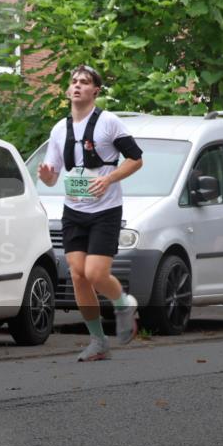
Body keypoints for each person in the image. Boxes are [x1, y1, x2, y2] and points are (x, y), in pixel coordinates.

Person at [37, 66, 144, 361]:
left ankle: (123, 302)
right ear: (67, 90)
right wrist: (46, 175)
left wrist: (109, 179)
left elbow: (136, 159)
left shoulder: (109, 122)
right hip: (74, 210)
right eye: (74, 81)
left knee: (96, 274)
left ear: (95, 90)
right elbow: (52, 177)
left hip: (105, 210)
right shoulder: (59, 130)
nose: (77, 86)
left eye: (84, 82)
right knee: (77, 275)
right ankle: (98, 341)